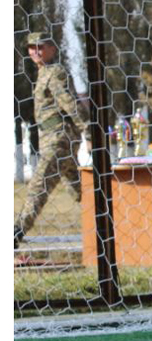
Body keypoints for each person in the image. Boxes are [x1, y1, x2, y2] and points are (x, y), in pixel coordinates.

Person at [16, 33, 87, 249]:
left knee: (37, 188)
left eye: (41, 46)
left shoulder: (55, 72)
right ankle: (111, 219)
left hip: (59, 140)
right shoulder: (43, 73)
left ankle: (15, 234)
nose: (35, 51)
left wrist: (89, 132)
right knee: (80, 189)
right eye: (31, 47)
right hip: (53, 139)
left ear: (52, 49)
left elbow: (70, 103)